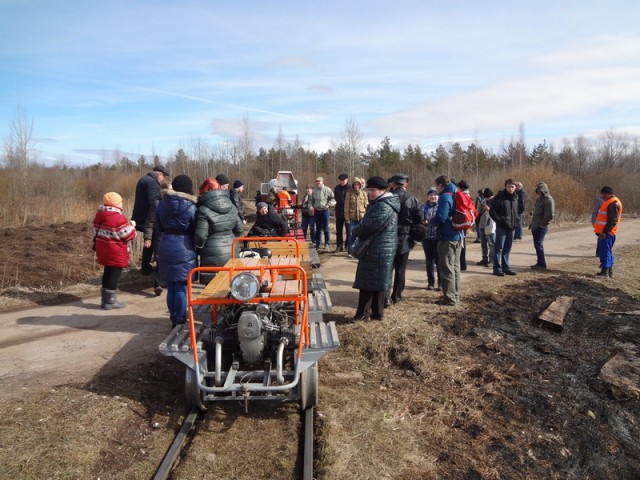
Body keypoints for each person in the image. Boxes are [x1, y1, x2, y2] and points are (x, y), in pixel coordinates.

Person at [351, 176, 400, 321]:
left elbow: (367, 226)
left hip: (378, 250)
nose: (370, 193)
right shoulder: (383, 203)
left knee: (368, 283)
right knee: (377, 283)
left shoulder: (383, 206)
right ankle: (376, 314)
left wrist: (355, 230)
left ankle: (363, 315)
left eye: (374, 190)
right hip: (380, 249)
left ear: (383, 190)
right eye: (369, 190)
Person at [155, 175, 198, 328]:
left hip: (166, 244)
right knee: (181, 286)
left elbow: (157, 226)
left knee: (171, 285)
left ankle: (174, 317)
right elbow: (195, 229)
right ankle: (179, 320)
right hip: (184, 246)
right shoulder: (192, 206)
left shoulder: (162, 203)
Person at [194, 177, 244, 283]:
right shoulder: (231, 205)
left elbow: (200, 236)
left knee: (211, 289)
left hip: (212, 252)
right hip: (232, 249)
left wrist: (199, 248)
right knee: (231, 284)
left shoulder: (202, 210)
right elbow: (240, 229)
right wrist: (230, 237)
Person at [93, 192, 137, 309]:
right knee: (114, 274)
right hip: (115, 250)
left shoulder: (100, 215)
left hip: (103, 248)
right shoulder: (118, 217)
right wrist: (132, 226)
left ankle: (105, 300)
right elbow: (128, 235)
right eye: (120, 202)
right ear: (116, 204)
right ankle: (111, 301)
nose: (122, 204)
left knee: (107, 272)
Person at [132, 164, 169, 296]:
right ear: (158, 174)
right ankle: (155, 277)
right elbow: (155, 202)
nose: (163, 179)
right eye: (163, 176)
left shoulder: (143, 179)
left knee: (150, 242)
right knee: (155, 243)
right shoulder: (153, 183)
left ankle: (146, 267)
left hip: (141, 217)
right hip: (150, 219)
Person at [387, 173, 422, 305]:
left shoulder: (386, 198)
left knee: (387, 269)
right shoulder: (412, 199)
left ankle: (384, 297)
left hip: (387, 237)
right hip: (405, 238)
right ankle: (396, 297)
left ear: (393, 184)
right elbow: (419, 220)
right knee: (401, 270)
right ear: (405, 185)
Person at [434, 175, 463, 306]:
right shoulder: (456, 193)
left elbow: (441, 218)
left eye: (436, 186)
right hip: (458, 235)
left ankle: (450, 298)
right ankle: (455, 294)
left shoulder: (445, 197)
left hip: (447, 236)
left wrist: (431, 221)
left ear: (440, 185)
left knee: (446, 268)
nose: (436, 189)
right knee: (455, 267)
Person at [489, 179, 519, 276]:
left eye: (512, 187)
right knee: (499, 248)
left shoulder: (516, 198)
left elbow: (516, 211)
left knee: (507, 248)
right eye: (509, 186)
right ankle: (497, 268)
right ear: (505, 187)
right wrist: (499, 221)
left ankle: (506, 267)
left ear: (515, 187)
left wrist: (516, 222)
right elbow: (492, 211)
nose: (510, 189)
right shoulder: (499, 197)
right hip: (502, 227)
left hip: (512, 227)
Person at [594, 186, 623, 277]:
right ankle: (609, 271)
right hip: (608, 232)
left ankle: (604, 272)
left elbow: (612, 220)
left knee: (605, 251)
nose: (603, 196)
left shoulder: (612, 203)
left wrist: (604, 232)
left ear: (607, 193)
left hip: (606, 233)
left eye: (603, 194)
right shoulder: (612, 202)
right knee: (608, 251)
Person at [529, 182, 555, 270]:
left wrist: (542, 224)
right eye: (538, 191)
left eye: (540, 191)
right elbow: (536, 211)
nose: (539, 193)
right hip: (535, 225)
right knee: (537, 245)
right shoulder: (539, 199)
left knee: (539, 244)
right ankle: (539, 262)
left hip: (541, 226)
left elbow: (550, 215)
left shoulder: (548, 200)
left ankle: (542, 264)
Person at [344, 177, 368, 257]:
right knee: (351, 234)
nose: (356, 186)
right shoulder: (349, 193)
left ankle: (360, 251)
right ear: (353, 185)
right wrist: (346, 217)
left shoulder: (364, 193)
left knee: (361, 234)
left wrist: (367, 216)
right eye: (355, 184)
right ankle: (350, 251)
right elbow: (346, 206)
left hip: (361, 217)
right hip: (351, 218)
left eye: (358, 184)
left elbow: (366, 206)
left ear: (360, 185)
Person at [421, 187, 440, 291]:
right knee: (429, 261)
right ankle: (430, 282)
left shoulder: (441, 207)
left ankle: (440, 283)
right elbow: (419, 220)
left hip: (438, 237)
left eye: (435, 194)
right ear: (427, 197)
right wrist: (422, 222)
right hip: (426, 237)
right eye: (431, 195)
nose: (433, 196)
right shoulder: (423, 207)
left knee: (439, 261)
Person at [309, 176, 335, 248]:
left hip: (325, 211)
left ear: (322, 182)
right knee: (318, 228)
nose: (318, 183)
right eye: (317, 182)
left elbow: (333, 199)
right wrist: (310, 206)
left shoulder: (327, 189)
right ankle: (318, 243)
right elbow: (311, 200)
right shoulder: (314, 191)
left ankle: (327, 243)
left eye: (319, 181)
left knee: (326, 228)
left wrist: (328, 205)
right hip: (317, 211)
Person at [476, 188, 495, 268]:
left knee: (491, 244)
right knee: (483, 243)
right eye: (486, 197)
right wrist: (479, 208)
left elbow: (498, 212)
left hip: (490, 225)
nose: (487, 198)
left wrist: (489, 209)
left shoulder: (495, 201)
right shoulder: (483, 201)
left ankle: (492, 260)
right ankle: (484, 259)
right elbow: (478, 212)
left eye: (488, 197)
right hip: (482, 224)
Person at [456, 180, 473, 271]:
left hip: (460, 221)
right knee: (463, 241)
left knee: (460, 242)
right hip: (467, 221)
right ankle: (463, 263)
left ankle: (461, 263)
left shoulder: (460, 195)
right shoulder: (468, 196)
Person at [334, 173, 350, 253]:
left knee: (348, 230)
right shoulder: (337, 188)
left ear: (347, 180)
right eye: (341, 180)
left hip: (348, 212)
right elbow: (336, 198)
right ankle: (339, 246)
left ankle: (347, 246)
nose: (342, 182)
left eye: (343, 180)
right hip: (339, 211)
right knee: (338, 230)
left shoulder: (350, 188)